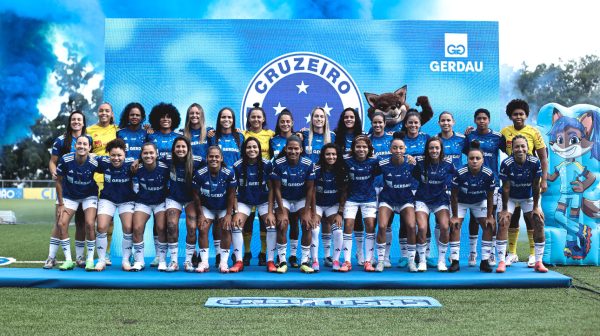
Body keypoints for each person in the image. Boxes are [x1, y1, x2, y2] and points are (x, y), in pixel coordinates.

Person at [500, 99, 548, 267]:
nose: (518, 116)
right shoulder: (505, 132)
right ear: (510, 116)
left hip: (530, 182)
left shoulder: (533, 132)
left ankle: (533, 255)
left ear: (526, 115)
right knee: (512, 218)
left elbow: (543, 157)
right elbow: (493, 145)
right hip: (512, 181)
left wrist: (544, 180)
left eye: (521, 114)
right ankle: (511, 254)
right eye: (515, 114)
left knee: (531, 218)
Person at [44, 135, 98, 271]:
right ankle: (68, 260)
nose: (82, 146)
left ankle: (90, 260)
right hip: (70, 196)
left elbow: (112, 164)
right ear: (75, 146)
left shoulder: (95, 161)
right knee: (61, 223)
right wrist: (61, 203)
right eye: (79, 143)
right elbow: (58, 181)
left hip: (88, 195)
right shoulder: (66, 159)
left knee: (90, 224)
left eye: (85, 144)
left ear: (90, 148)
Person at [464, 108, 505, 267]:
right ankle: (473, 253)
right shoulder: (470, 136)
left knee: (491, 217)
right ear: (475, 120)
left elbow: (510, 150)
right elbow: (465, 154)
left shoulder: (497, 137)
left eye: (484, 118)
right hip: (473, 182)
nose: (482, 121)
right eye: (479, 118)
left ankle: (491, 253)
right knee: (474, 217)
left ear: (489, 120)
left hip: (492, 183)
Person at [271, 135, 316, 273]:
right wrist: (280, 209)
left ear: (301, 149)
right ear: (285, 148)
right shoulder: (278, 163)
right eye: (290, 148)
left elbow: (310, 189)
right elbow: (276, 188)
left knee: (307, 224)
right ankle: (282, 261)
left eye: (296, 148)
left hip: (301, 198)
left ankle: (304, 261)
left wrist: (308, 210)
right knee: (283, 222)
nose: (293, 151)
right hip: (284, 198)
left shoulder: (308, 164)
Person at [450, 141, 496, 273]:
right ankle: (454, 261)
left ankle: (485, 261)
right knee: (455, 225)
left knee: (488, 225)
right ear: (467, 160)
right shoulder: (460, 172)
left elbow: (490, 196)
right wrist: (454, 217)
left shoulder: (488, 173)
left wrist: (489, 216)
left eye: (478, 158)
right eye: (471, 158)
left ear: (483, 160)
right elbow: (453, 196)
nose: (474, 161)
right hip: (461, 202)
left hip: (479, 201)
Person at [208, 107, 245, 265]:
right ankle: (218, 254)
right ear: (219, 119)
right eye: (223, 117)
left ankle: (238, 257)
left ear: (233, 119)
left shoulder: (239, 136)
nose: (226, 120)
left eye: (229, 117)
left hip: (235, 183)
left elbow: (244, 157)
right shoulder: (213, 136)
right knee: (217, 220)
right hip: (217, 182)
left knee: (234, 221)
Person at [232, 137, 275, 272]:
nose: (252, 150)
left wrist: (269, 211)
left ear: (259, 149)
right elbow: (233, 191)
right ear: (244, 150)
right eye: (249, 147)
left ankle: (270, 260)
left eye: (255, 147)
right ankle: (239, 261)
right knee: (236, 225)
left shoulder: (267, 164)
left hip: (263, 200)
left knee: (272, 225)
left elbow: (272, 188)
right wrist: (236, 210)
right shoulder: (237, 165)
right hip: (244, 201)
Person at [192, 146, 237, 273]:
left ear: (221, 158)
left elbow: (231, 195)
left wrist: (229, 214)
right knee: (202, 228)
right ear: (207, 158)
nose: (214, 159)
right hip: (207, 207)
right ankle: (204, 262)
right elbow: (195, 195)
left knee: (226, 228)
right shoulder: (199, 174)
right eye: (211, 156)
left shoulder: (229, 173)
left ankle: (223, 262)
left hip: (223, 207)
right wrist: (200, 214)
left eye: (217, 156)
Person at [412, 136, 455, 272]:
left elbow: (457, 178)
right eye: (431, 148)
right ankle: (422, 260)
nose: (434, 150)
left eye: (437, 147)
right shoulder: (419, 162)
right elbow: (411, 173)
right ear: (427, 149)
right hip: (422, 199)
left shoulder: (448, 163)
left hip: (440, 200)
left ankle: (441, 261)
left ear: (441, 149)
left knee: (444, 226)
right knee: (422, 227)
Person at [375, 134, 416, 272]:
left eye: (400, 148)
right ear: (390, 149)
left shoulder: (411, 163)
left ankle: (411, 261)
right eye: (395, 148)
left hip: (406, 199)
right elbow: (369, 172)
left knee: (411, 226)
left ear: (405, 149)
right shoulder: (382, 163)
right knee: (382, 226)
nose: (398, 150)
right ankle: (381, 260)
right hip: (388, 200)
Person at [147, 102, 181, 266]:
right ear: (157, 119)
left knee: (170, 222)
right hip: (156, 182)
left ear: (173, 119)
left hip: (174, 183)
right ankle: (158, 255)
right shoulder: (151, 137)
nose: (166, 119)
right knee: (157, 221)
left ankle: (176, 255)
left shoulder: (178, 138)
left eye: (169, 116)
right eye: (162, 117)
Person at [241, 104, 275, 266]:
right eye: (252, 116)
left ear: (263, 119)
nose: (255, 119)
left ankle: (263, 253)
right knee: (247, 221)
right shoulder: (242, 134)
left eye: (258, 116)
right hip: (247, 181)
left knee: (264, 222)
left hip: (263, 180)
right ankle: (246, 253)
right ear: (248, 119)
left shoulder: (271, 135)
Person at [94, 138, 135, 271]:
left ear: (125, 154)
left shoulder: (132, 163)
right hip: (108, 199)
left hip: (126, 200)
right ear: (108, 154)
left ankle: (126, 260)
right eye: (113, 155)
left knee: (128, 228)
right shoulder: (103, 162)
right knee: (101, 227)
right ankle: (101, 260)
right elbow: (89, 157)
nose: (116, 158)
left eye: (119, 155)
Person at [164, 137, 204, 272]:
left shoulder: (198, 161)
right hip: (173, 197)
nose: (180, 149)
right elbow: (150, 157)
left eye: (183, 147)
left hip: (191, 199)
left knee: (192, 228)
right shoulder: (167, 159)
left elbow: (213, 165)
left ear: (188, 149)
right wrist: (138, 160)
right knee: (171, 225)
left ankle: (188, 261)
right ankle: (174, 261)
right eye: (178, 147)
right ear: (173, 149)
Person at [341, 135, 380, 272]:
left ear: (369, 149)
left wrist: (408, 158)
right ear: (353, 148)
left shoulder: (374, 161)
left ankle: (368, 261)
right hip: (351, 199)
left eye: (364, 147)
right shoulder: (346, 160)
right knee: (349, 225)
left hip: (368, 198)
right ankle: (346, 261)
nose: (361, 149)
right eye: (358, 146)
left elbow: (389, 165)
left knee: (370, 225)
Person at [87, 102, 119, 265]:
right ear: (97, 113)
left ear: (112, 114)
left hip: (111, 179)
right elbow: (85, 151)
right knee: (91, 219)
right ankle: (90, 252)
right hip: (94, 179)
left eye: (107, 111)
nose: (104, 113)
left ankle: (106, 253)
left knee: (109, 219)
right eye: (101, 111)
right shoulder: (90, 131)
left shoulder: (118, 130)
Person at [333, 107, 366, 264]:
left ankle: (359, 253)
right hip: (341, 180)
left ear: (356, 119)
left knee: (359, 218)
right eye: (346, 117)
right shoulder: (336, 135)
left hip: (359, 180)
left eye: (351, 117)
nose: (349, 119)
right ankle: (340, 256)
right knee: (347, 219)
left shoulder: (362, 136)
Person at [399, 110, 431, 267]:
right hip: (404, 185)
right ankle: (405, 256)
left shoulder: (426, 138)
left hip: (422, 185)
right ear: (405, 124)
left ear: (420, 124)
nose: (413, 125)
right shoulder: (400, 139)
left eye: (416, 122)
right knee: (405, 221)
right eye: (410, 122)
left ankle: (427, 254)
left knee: (425, 221)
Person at [130, 142, 169, 271]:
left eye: (151, 153)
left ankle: (162, 260)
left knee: (161, 227)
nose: (148, 155)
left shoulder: (165, 167)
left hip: (160, 202)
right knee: (137, 227)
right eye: (145, 153)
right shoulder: (137, 168)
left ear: (157, 154)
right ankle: (139, 261)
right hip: (143, 202)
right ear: (141, 155)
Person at [313, 143, 347, 271]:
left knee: (338, 230)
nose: (331, 157)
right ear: (323, 155)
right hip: (317, 205)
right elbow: (311, 192)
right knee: (314, 229)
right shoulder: (316, 169)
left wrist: (340, 213)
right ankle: (315, 260)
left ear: (338, 156)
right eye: (328, 154)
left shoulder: (342, 170)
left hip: (333, 206)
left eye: (333, 154)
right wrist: (312, 212)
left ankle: (335, 260)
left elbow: (344, 193)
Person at [369, 112, 394, 267]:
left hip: (387, 187)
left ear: (385, 123)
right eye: (375, 122)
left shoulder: (391, 140)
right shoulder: (366, 140)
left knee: (387, 223)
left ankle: (385, 257)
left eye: (380, 123)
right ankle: (370, 257)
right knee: (372, 223)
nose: (377, 125)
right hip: (370, 187)